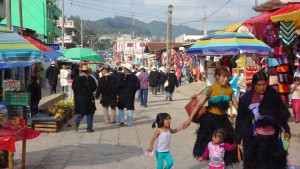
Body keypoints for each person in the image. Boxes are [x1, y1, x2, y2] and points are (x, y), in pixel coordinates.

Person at [182, 66, 239, 166]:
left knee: (225, 148)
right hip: (210, 121)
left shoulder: (229, 90)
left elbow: (237, 106)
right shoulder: (210, 89)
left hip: (223, 121)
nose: (226, 79)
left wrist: (246, 117)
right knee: (210, 148)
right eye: (223, 76)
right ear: (217, 76)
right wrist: (189, 119)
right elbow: (199, 104)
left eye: (227, 77)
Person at [234, 71, 291, 169]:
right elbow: (241, 119)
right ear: (254, 85)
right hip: (255, 140)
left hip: (273, 139)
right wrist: (237, 138)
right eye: (259, 85)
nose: (262, 87)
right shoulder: (247, 98)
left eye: (264, 84)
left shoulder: (273, 95)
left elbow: (281, 114)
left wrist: (286, 129)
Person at [72, 65, 97, 133]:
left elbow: (73, 87)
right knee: (90, 113)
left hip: (78, 98)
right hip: (88, 98)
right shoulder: (90, 78)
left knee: (81, 111)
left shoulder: (76, 78)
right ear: (88, 72)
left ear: (81, 71)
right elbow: (94, 88)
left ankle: (76, 122)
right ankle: (89, 128)